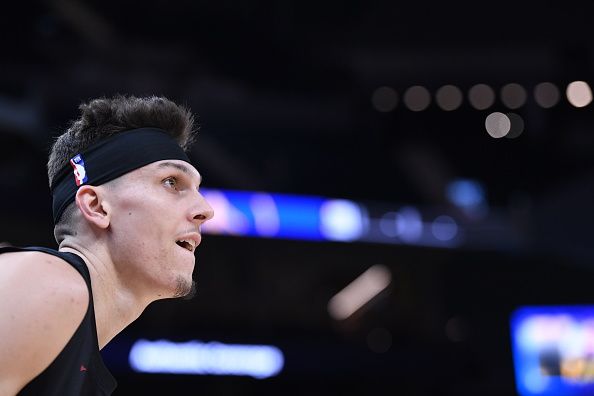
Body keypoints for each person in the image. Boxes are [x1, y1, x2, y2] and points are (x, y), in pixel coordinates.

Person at [0, 95, 214, 395]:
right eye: (171, 182)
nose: (206, 209)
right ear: (97, 207)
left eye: (197, 189)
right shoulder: (51, 283)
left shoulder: (78, 353)